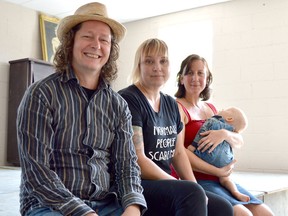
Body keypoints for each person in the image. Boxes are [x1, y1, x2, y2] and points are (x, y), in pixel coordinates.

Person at [17, 2, 147, 216]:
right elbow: (37, 171)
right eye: (88, 36)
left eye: (104, 39)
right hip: (50, 205)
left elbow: (127, 166)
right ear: (71, 42)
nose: (96, 45)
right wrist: (83, 212)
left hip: (106, 204)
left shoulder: (118, 105)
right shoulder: (41, 94)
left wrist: (132, 207)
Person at [119, 38, 234, 216]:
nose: (157, 67)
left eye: (163, 61)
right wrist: (180, 184)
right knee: (191, 193)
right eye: (149, 61)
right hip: (136, 183)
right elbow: (138, 160)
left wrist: (195, 186)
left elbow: (178, 152)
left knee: (222, 207)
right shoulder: (129, 99)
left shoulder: (171, 104)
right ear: (138, 66)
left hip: (165, 182)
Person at [174, 54, 274, 216]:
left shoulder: (212, 109)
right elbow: (180, 152)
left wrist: (223, 133)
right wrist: (217, 171)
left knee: (266, 213)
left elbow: (239, 140)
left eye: (201, 73)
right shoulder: (177, 108)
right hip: (199, 180)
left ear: (207, 79)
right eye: (190, 73)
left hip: (223, 181)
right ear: (181, 78)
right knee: (244, 214)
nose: (195, 78)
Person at [189, 106, 250, 202]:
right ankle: (235, 192)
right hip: (219, 165)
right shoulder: (232, 128)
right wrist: (220, 171)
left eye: (226, 110)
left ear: (229, 118)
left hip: (208, 156)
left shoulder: (214, 119)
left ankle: (234, 191)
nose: (221, 109)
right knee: (226, 179)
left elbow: (202, 133)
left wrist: (192, 147)